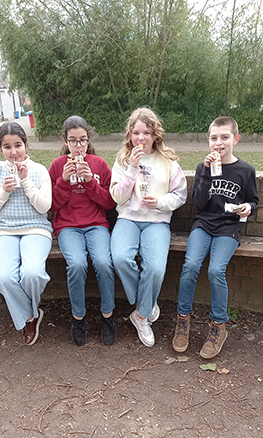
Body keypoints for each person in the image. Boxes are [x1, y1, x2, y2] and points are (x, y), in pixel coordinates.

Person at [172, 116, 259, 359]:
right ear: (208, 140)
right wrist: (209, 172)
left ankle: (218, 326)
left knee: (215, 271)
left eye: (224, 137)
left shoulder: (246, 170)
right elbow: (199, 204)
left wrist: (248, 208)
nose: (218, 142)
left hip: (229, 228)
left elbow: (253, 201)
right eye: (213, 138)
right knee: (190, 265)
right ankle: (182, 319)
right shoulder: (203, 167)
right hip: (203, 224)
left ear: (236, 139)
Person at [110, 107, 187, 347]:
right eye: (136, 133)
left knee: (154, 268)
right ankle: (147, 304)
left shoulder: (168, 161)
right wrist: (132, 169)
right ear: (130, 135)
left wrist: (161, 202)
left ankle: (140, 315)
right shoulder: (123, 159)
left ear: (155, 134)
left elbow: (180, 194)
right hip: (128, 219)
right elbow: (117, 198)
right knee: (120, 258)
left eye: (146, 132)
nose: (140, 138)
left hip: (157, 221)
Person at [0, 122, 53, 345]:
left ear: (25, 145)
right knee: (5, 278)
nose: (14, 152)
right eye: (7, 147)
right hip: (5, 231)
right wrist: (3, 191)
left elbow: (44, 207)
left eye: (18, 145)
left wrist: (26, 182)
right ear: (1, 148)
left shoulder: (39, 170)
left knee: (32, 273)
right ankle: (31, 316)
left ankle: (28, 312)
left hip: (36, 229)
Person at [50, 115, 116, 347]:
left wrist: (90, 182)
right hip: (68, 226)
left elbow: (109, 203)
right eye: (73, 141)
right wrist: (64, 181)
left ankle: (107, 316)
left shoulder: (99, 164)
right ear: (66, 141)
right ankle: (79, 317)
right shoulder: (58, 166)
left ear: (88, 141)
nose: (78, 146)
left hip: (96, 224)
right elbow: (53, 206)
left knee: (103, 263)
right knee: (77, 264)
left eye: (83, 141)